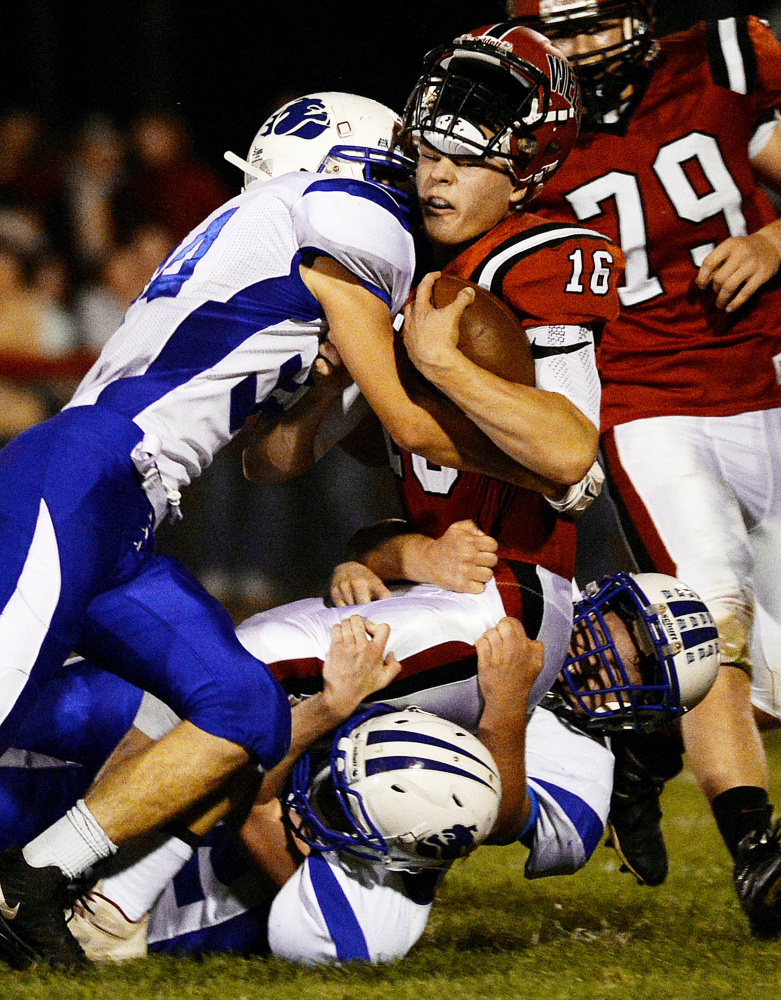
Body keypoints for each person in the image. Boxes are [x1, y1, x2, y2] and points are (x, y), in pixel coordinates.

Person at [0, 89, 545, 971]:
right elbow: (407, 424)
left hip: (125, 504)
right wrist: (546, 469)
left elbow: (270, 460)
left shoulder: (283, 233)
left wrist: (324, 379)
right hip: (86, 474)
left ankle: (32, 882)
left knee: (246, 709)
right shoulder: (353, 213)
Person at [0, 566, 718, 963]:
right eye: (625, 627)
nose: (613, 652)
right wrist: (388, 558)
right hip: (282, 763)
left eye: (641, 662)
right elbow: (386, 546)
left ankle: (114, 903)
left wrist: (499, 713)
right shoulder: (536, 621)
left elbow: (495, 818)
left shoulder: (582, 779)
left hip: (297, 827)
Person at [245, 23, 625, 710]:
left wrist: (443, 365)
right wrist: (324, 391)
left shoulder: (533, 257)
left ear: (527, 175)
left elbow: (572, 461)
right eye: (427, 154)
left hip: (513, 599)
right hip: (437, 596)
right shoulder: (399, 280)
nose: (438, 176)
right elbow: (270, 463)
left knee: (242, 676)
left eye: (467, 160)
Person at [507, 0, 781, 936]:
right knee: (713, 606)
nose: (579, 50)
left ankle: (643, 738)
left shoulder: (725, 58)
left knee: (766, 662)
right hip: (643, 400)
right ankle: (756, 852)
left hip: (766, 372)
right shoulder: (524, 125)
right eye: (561, 33)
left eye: (594, 24)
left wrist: (772, 240)